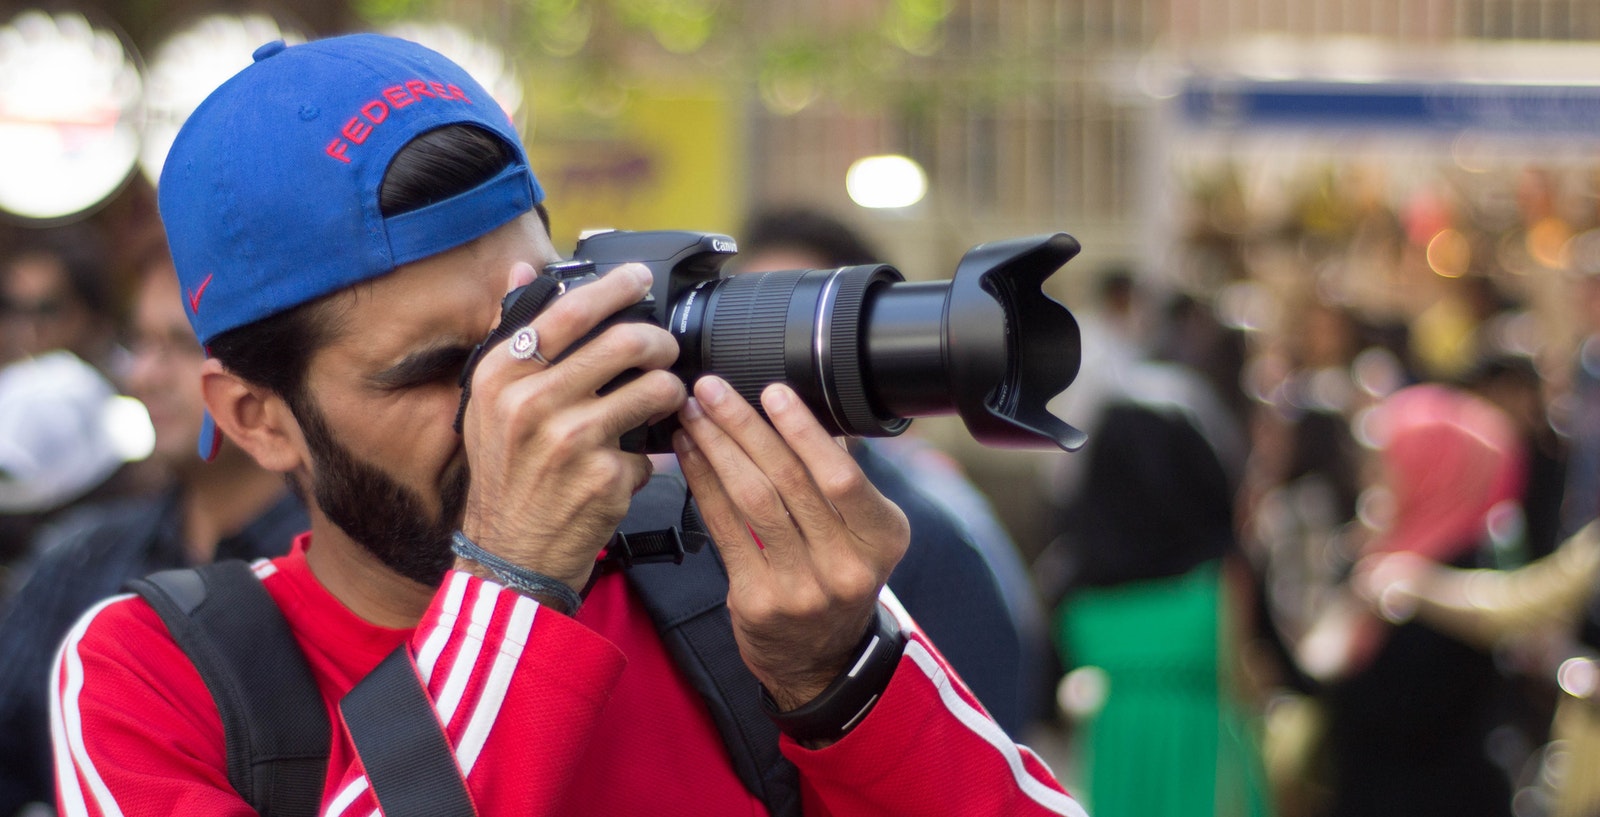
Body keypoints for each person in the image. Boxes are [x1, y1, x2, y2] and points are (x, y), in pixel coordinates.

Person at [51, 34, 1084, 816]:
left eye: (537, 325)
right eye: (446, 371)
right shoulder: (147, 675)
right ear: (258, 418)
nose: (525, 397)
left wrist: (840, 679)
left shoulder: (728, 585)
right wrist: (510, 579)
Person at [0, 254, 306, 816]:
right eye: (138, 343)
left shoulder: (343, 566)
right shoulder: (80, 557)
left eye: (180, 346)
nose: (142, 375)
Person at [737, 204, 1050, 737]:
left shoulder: (927, 535)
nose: (752, 346)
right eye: (743, 312)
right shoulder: (667, 511)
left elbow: (985, 749)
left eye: (781, 320)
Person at [1298, 383, 1524, 817]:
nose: (1373, 479)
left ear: (1432, 468)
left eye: (1388, 464)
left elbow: (1408, 710)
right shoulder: (1371, 555)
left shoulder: (1470, 569)